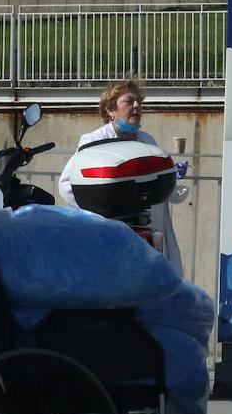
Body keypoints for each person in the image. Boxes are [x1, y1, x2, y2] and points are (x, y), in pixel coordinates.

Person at [58, 79, 185, 275]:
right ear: (110, 109)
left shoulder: (147, 140)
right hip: (109, 232)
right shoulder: (94, 142)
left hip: (148, 228)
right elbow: (67, 184)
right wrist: (104, 206)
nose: (136, 106)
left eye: (139, 102)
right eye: (129, 101)